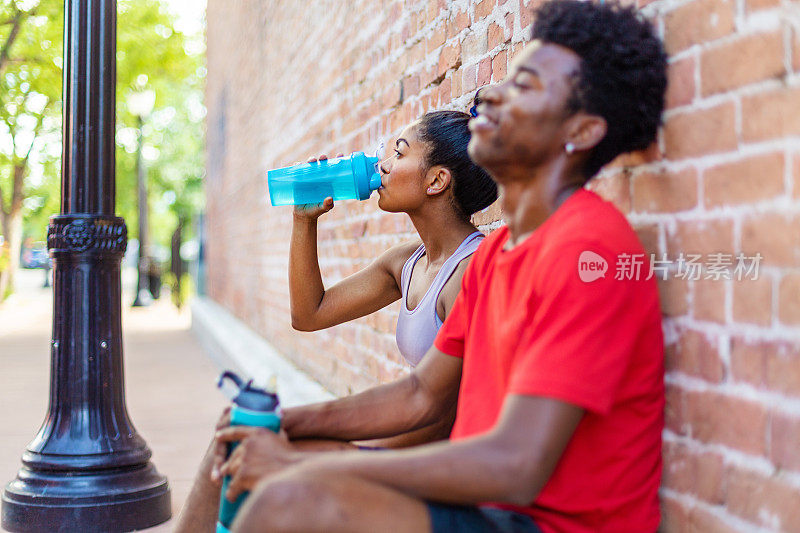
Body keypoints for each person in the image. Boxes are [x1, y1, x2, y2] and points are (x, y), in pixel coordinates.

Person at [181, 1, 668, 531]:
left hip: (540, 521)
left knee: (289, 500)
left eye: (523, 86)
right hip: (484, 504)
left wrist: (309, 466)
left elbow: (517, 466)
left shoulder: (589, 252)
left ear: (582, 131)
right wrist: (288, 425)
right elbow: (419, 393)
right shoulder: (499, 254)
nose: (490, 96)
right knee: (237, 442)